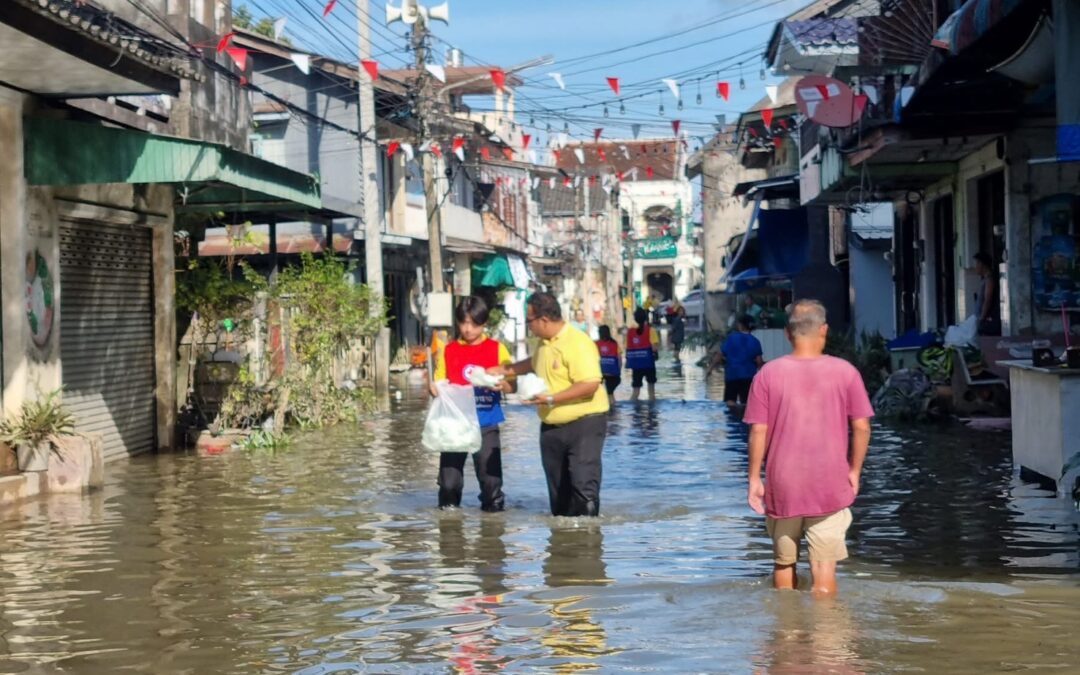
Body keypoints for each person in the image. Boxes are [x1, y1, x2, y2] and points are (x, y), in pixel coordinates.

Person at [744, 299, 874, 595]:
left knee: (783, 564)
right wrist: (854, 471)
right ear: (824, 331)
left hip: (783, 484)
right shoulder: (846, 372)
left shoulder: (767, 374)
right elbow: (862, 427)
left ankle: (787, 632)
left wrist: (754, 478)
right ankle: (826, 636)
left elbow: (758, 430)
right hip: (829, 483)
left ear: (787, 334)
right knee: (823, 568)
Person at [488, 292, 609, 517]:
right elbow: (533, 365)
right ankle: (562, 547)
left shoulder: (577, 342)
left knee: (583, 486)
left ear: (544, 319)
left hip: (585, 423)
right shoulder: (543, 345)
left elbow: (590, 384)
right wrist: (504, 374)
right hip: (551, 426)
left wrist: (551, 398)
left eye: (529, 321)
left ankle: (589, 542)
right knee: (558, 494)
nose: (529, 327)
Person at [431, 296, 513, 512]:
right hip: (455, 424)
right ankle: (449, 532)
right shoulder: (449, 350)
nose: (468, 329)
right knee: (449, 484)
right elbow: (439, 382)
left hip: (486, 421)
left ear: (484, 323)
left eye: (474, 324)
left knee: (491, 483)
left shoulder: (497, 349)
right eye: (463, 323)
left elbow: (512, 385)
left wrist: (501, 385)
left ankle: (493, 530)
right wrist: (434, 389)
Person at [718, 315, 764, 406]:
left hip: (732, 375)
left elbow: (719, 355)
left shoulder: (731, 338)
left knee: (730, 401)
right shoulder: (755, 341)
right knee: (746, 403)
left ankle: (731, 418)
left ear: (740, 325)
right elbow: (759, 362)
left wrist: (710, 369)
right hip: (748, 376)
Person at [626, 307, 659, 401]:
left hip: (636, 365)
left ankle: (634, 414)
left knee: (635, 393)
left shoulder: (630, 332)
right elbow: (654, 348)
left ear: (635, 318)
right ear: (645, 318)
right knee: (651, 394)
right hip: (649, 364)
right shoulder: (650, 330)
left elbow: (628, 348)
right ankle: (652, 414)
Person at [973, 252, 1000, 336]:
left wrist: (982, 318)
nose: (976, 267)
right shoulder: (985, 279)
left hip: (989, 321)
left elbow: (987, 300)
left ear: (982, 264)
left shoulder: (989, 280)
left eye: (977, 263)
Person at [595, 325, 621, 406]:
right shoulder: (614, 343)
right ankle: (614, 411)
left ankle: (610, 412)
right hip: (613, 374)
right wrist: (618, 371)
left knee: (606, 394)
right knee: (610, 393)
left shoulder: (596, 344)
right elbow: (619, 359)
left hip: (600, 374)